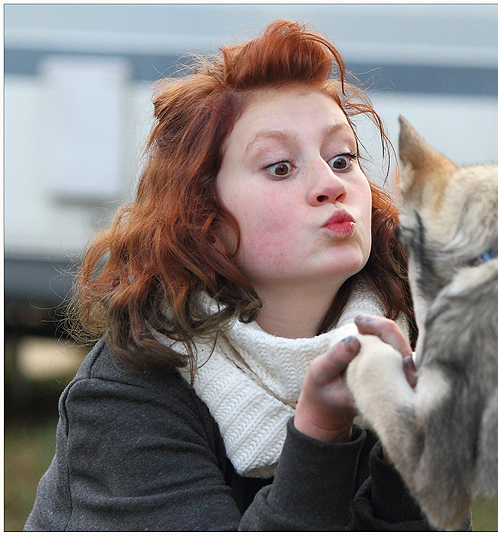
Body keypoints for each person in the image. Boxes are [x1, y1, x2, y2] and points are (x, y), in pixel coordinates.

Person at [25, 20, 445, 531]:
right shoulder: (128, 395)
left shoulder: (401, 338)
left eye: (342, 158)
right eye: (280, 167)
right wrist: (318, 432)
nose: (330, 184)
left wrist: (412, 441)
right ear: (206, 220)